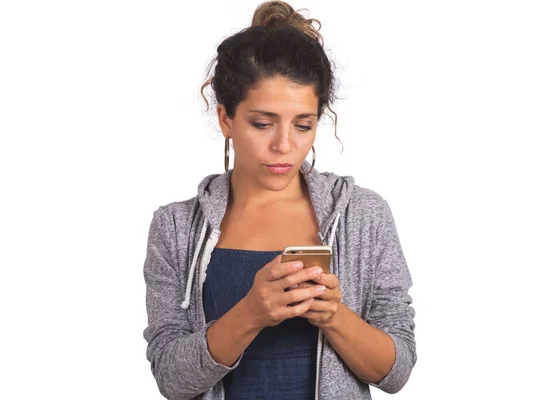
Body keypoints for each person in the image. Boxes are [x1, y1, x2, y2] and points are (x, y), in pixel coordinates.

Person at [142, 1, 417, 399]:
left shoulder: (362, 214)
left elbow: (396, 372)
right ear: (225, 119)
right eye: (262, 123)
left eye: (303, 125)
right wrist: (251, 313)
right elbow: (171, 379)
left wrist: (334, 316)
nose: (284, 145)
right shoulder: (175, 227)